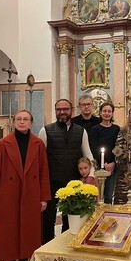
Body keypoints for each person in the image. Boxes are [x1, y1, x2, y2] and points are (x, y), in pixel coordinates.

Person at [0, 110, 51, 261]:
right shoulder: (2, 144)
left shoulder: (38, 144)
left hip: (30, 196)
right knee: (8, 235)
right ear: (13, 122)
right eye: (19, 119)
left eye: (25, 119)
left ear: (31, 123)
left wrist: (43, 198)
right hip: (7, 198)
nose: (22, 122)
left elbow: (43, 173)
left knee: (27, 235)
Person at [38, 99, 95, 244]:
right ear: (55, 111)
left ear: (72, 110)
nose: (62, 112)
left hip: (73, 183)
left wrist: (91, 175)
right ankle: (47, 249)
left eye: (65, 109)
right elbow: (39, 159)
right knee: (48, 219)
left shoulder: (81, 131)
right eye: (59, 109)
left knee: (71, 220)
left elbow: (88, 155)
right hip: (51, 183)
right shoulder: (46, 130)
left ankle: (67, 248)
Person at [90, 102, 120, 204]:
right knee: (98, 194)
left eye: (109, 111)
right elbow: (94, 148)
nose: (107, 113)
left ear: (112, 113)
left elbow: (118, 147)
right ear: (100, 113)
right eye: (104, 111)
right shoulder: (95, 129)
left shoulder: (116, 129)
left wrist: (113, 163)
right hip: (99, 166)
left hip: (112, 166)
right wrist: (103, 164)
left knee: (109, 194)